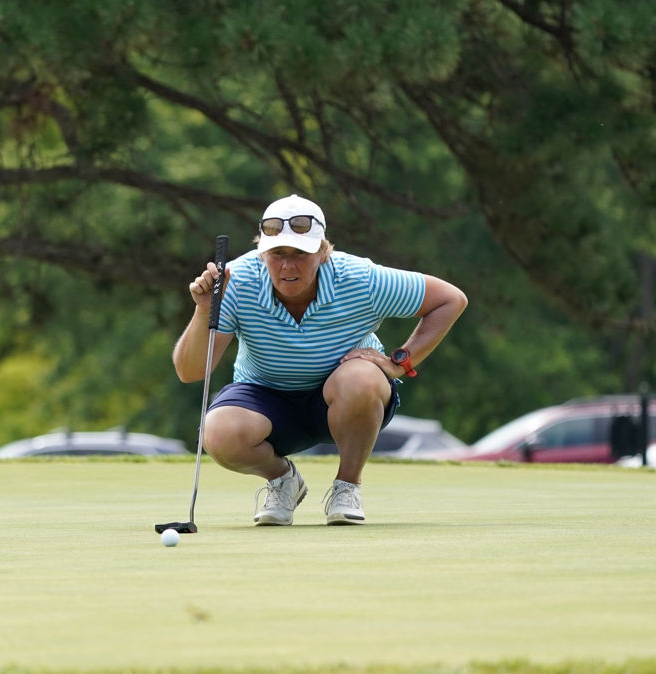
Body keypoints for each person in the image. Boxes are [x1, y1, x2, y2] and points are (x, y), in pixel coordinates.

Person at [173, 194, 467, 526]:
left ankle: (347, 486)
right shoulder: (236, 281)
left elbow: (450, 300)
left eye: (300, 254)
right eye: (277, 254)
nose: (287, 266)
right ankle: (283, 480)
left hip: (343, 399)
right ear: (262, 253)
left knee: (362, 379)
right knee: (219, 433)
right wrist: (202, 310)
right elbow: (190, 371)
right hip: (265, 398)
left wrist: (400, 362)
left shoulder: (360, 278)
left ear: (322, 252)